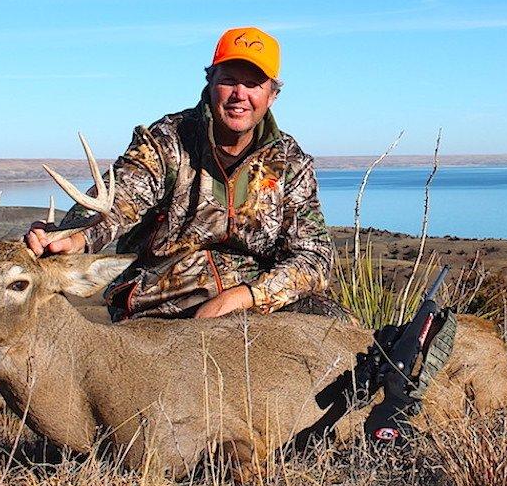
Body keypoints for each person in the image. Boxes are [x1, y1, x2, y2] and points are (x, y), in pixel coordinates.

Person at [24, 27, 334, 320]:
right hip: (160, 309)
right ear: (210, 82)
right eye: (228, 80)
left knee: (338, 330)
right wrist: (77, 236)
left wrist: (245, 296)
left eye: (253, 84)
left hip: (251, 306)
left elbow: (315, 257)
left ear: (272, 95)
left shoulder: (288, 161)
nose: (240, 94)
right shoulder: (166, 142)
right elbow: (122, 198)